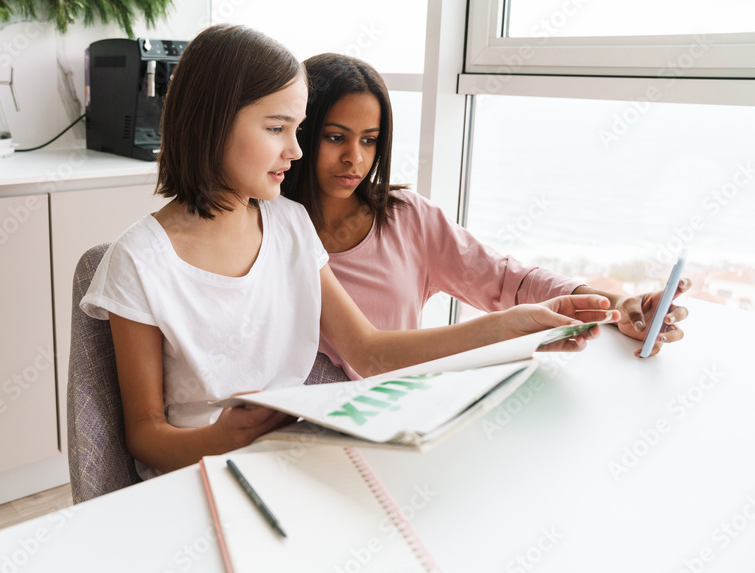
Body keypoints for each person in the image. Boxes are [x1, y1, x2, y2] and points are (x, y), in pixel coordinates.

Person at [81, 25, 615, 477]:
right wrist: (221, 439)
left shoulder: (288, 225)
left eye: (297, 129)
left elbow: (369, 352)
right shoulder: (137, 262)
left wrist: (505, 327)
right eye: (277, 128)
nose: (295, 148)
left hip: (290, 460)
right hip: (201, 474)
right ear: (212, 121)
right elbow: (145, 436)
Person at [281, 52, 688, 380]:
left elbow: (507, 279)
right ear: (300, 132)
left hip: (394, 416)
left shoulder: (408, 220)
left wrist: (617, 307)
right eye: (335, 137)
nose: (355, 158)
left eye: (369, 141)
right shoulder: (269, 228)